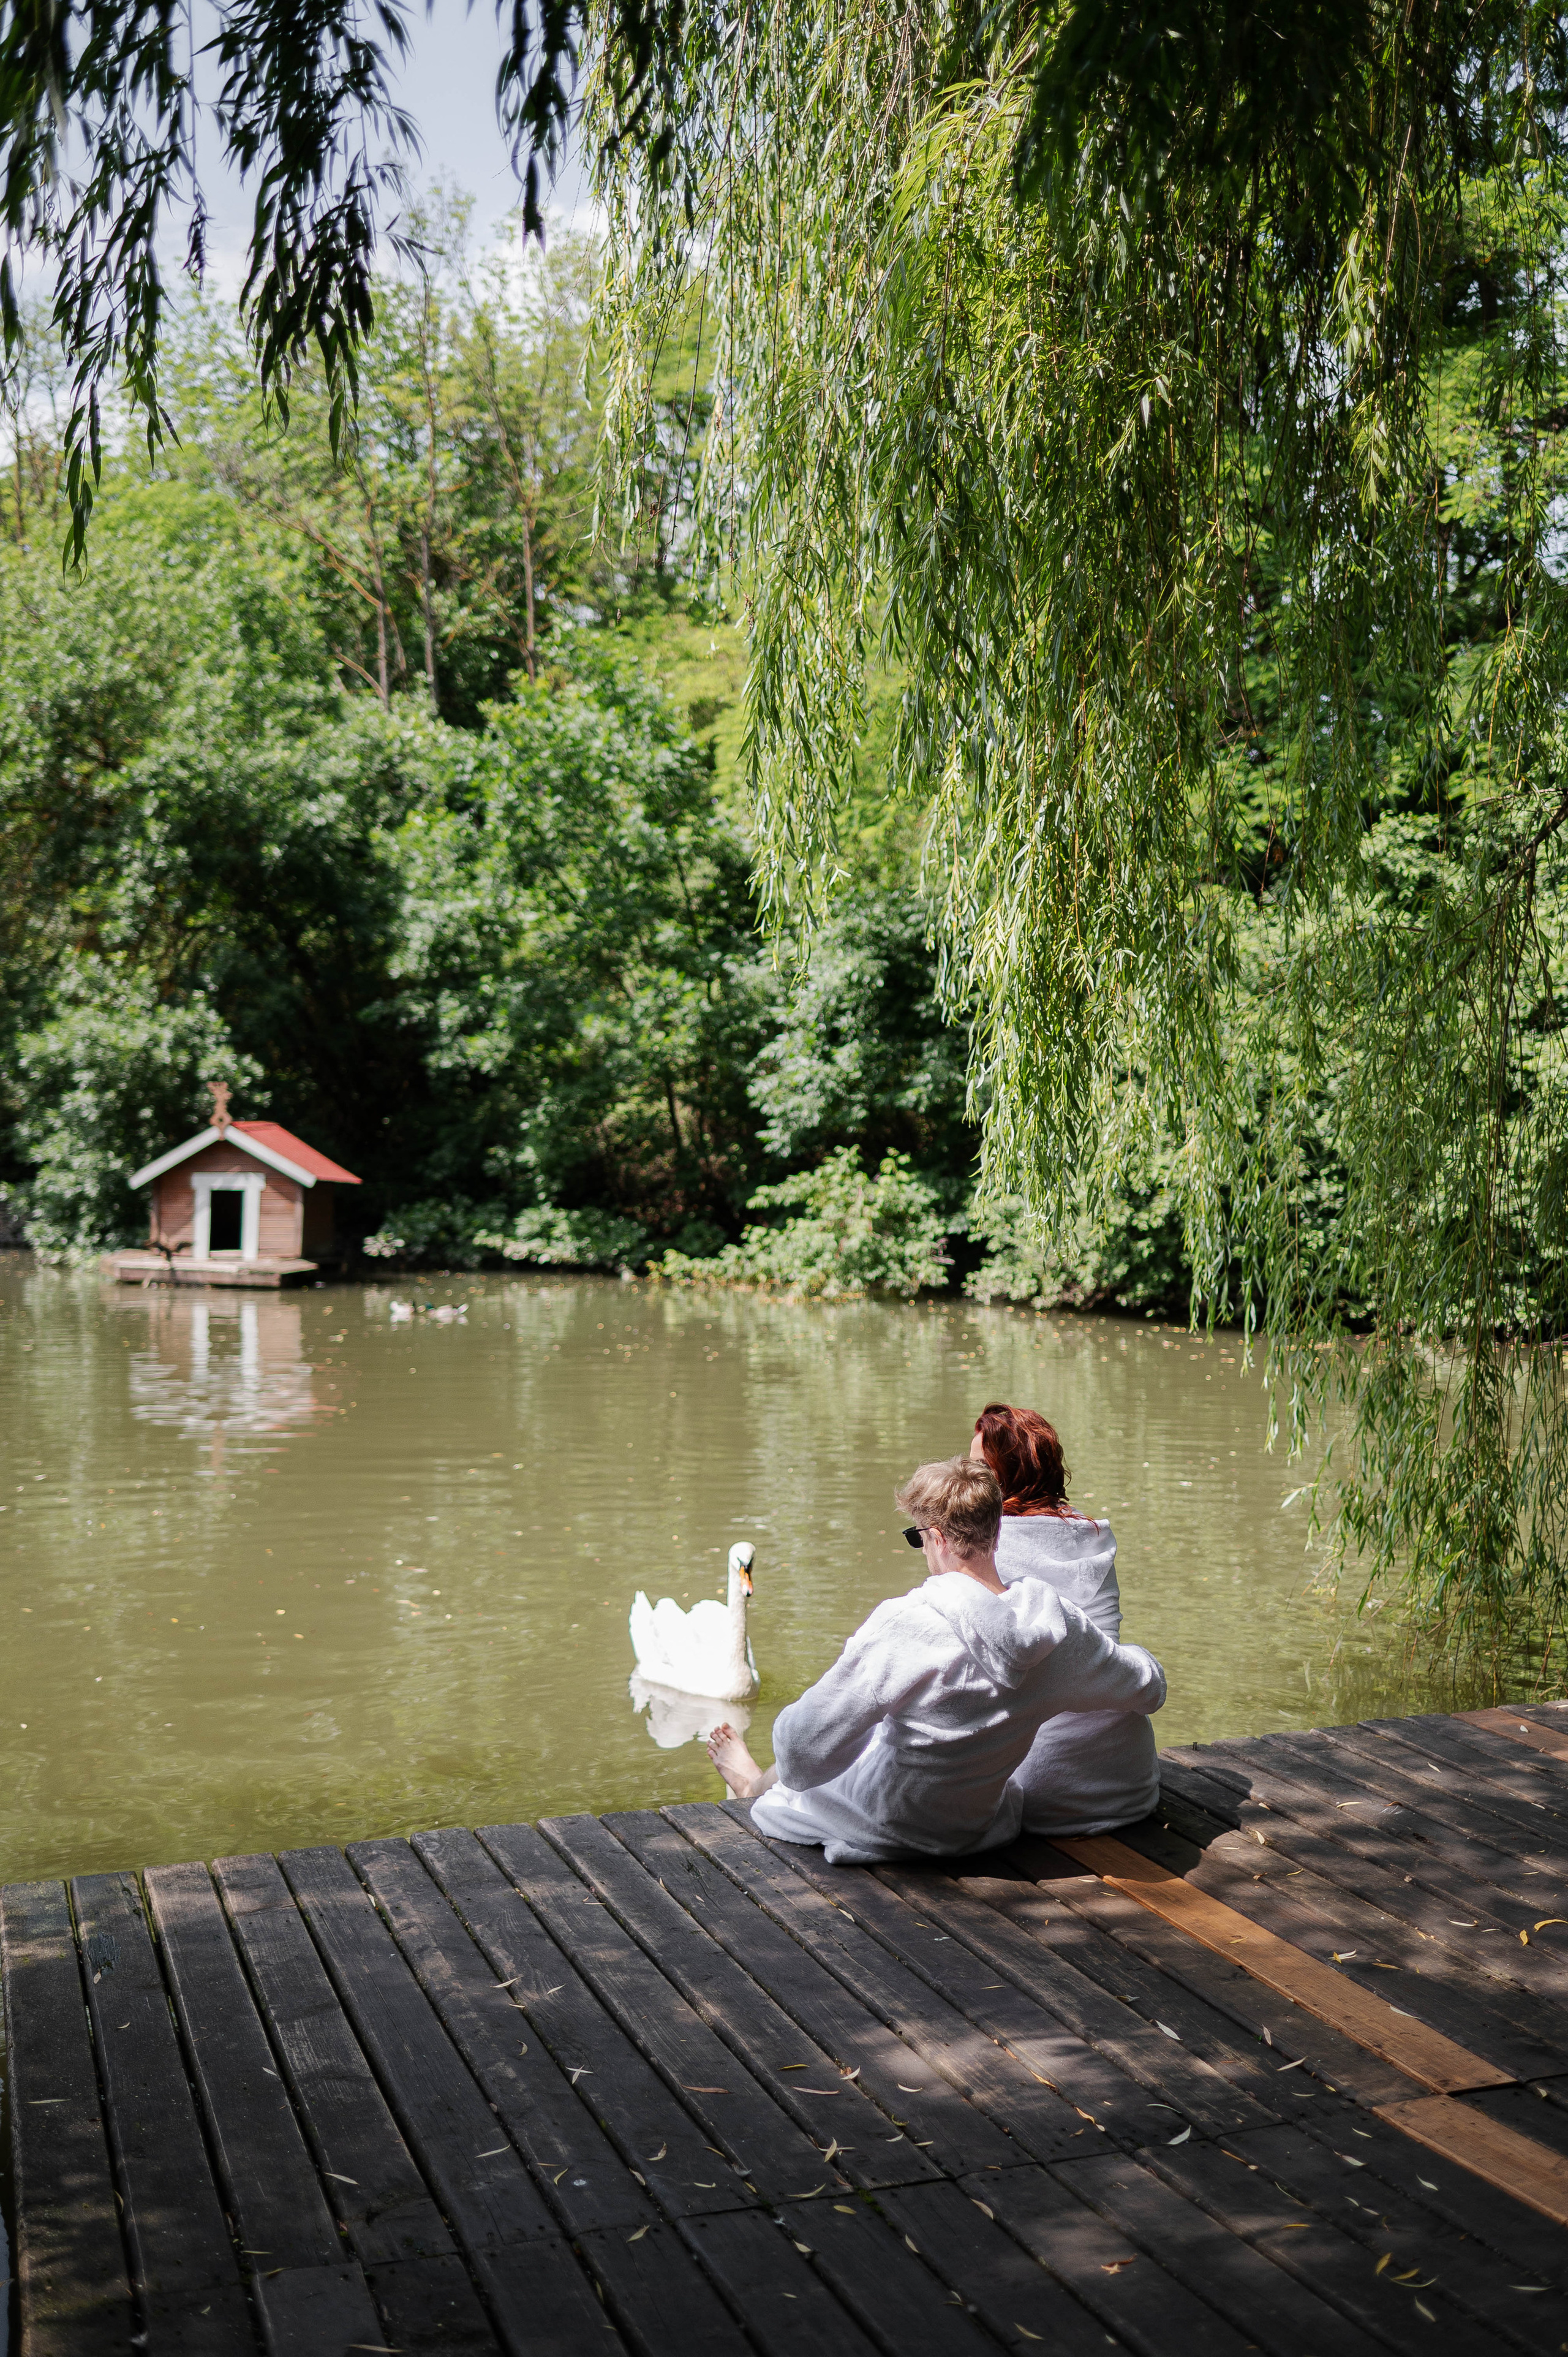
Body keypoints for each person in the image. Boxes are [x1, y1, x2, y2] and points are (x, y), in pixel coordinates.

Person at [706, 1453, 1166, 1864]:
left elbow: (802, 1749)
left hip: (893, 1822)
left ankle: (750, 1783)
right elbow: (1148, 1687)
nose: (922, 1548)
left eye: (918, 1537)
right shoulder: (1056, 1628)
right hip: (978, 1827)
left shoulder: (907, 1625)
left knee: (805, 1773)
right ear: (997, 1531)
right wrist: (1133, 1656)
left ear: (939, 1538)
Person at [969, 1401, 1161, 1833]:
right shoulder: (1095, 1538)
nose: (967, 1480)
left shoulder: (986, 1545)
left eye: (978, 1469)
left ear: (1002, 1478)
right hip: (1127, 1780)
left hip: (1039, 1787)